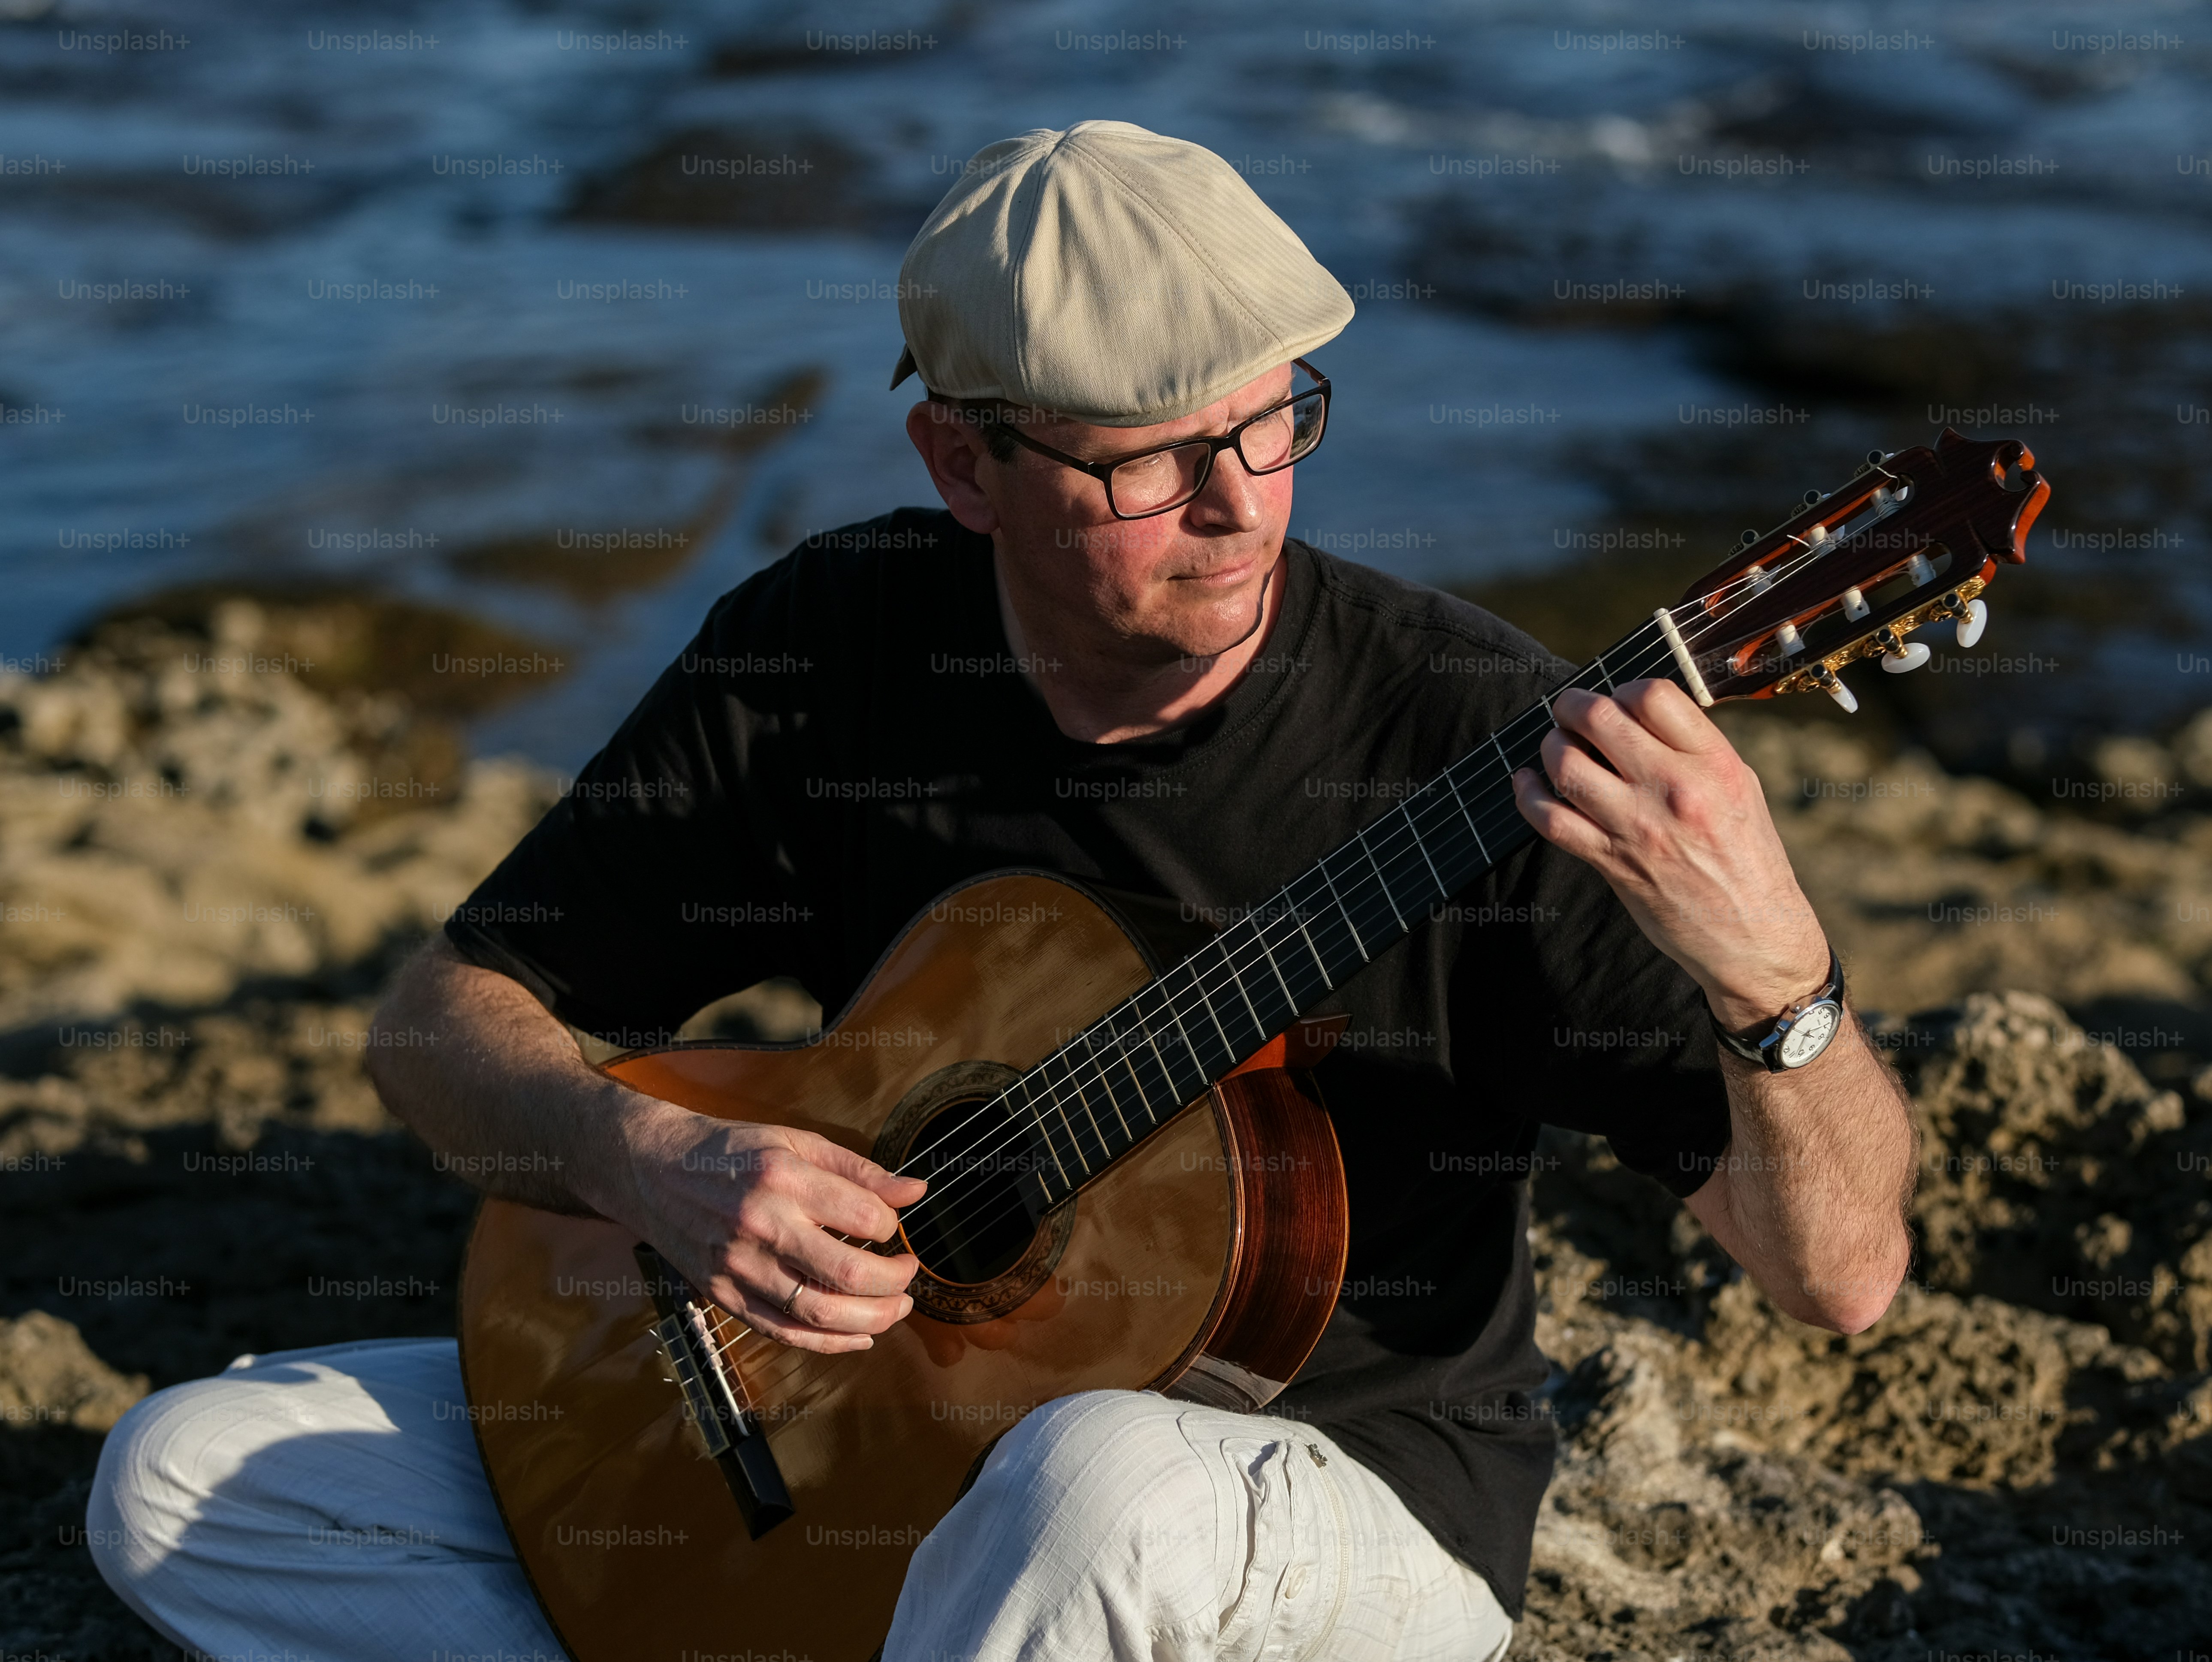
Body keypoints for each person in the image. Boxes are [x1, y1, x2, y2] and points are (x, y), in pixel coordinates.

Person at [88, 120, 1915, 1662]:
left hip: (1312, 1500)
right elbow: (443, 1029)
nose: (1237, 502)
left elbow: (1836, 1278)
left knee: (1088, 1491)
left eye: (1273, 423)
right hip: (876, 1456)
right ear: (964, 462)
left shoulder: (1485, 746)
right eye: (1147, 459)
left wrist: (1775, 976)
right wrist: (644, 1157)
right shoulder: (836, 648)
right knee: (188, 1479)